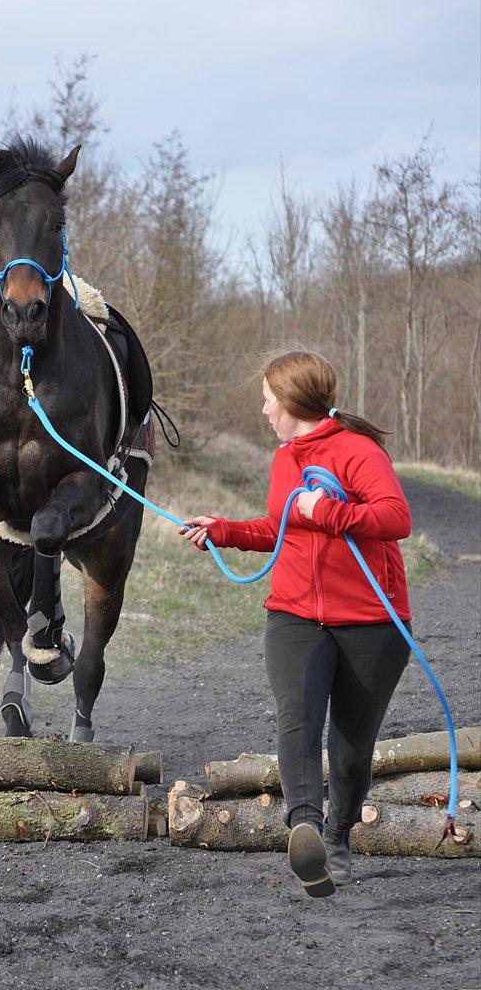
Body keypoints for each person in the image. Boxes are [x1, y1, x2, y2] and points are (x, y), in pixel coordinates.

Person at [179, 351, 412, 898]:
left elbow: (395, 517)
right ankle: (303, 825)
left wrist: (325, 513)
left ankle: (337, 836)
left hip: (371, 623)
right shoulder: (286, 458)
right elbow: (283, 525)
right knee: (297, 718)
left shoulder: (357, 451)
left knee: (352, 746)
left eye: (267, 399)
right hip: (294, 615)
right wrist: (224, 529)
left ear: (291, 402)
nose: (263, 410)